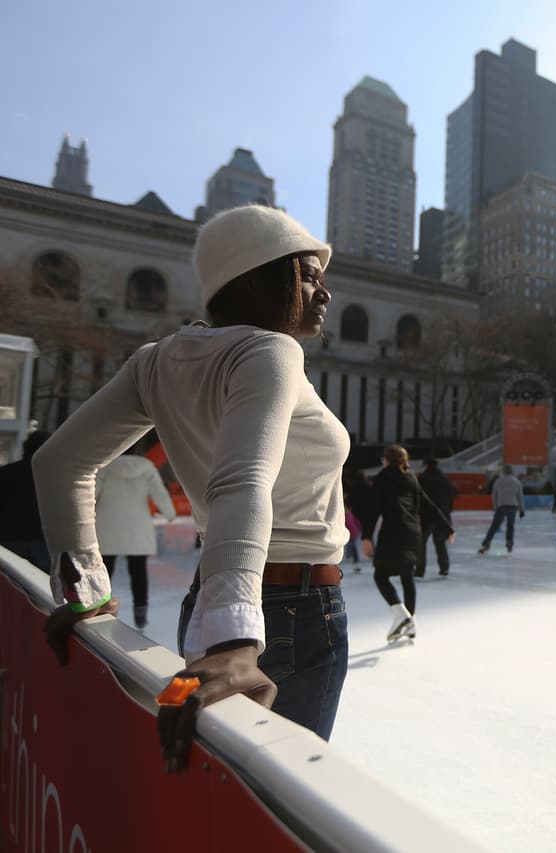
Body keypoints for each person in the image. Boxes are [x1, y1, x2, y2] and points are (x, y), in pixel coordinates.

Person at [34, 204, 350, 772]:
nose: (324, 294)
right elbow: (243, 479)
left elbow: (59, 463)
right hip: (292, 614)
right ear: (255, 274)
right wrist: (235, 641)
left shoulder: (154, 361)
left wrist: (83, 590)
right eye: (309, 276)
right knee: (275, 799)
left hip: (215, 601)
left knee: (223, 787)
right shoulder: (271, 350)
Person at [364, 445, 451, 641]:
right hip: (413, 533)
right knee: (407, 575)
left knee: (380, 575)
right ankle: (410, 622)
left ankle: (401, 614)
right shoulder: (411, 478)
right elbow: (429, 506)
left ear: (387, 459)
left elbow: (373, 508)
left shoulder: (384, 477)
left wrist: (367, 537)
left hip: (393, 531)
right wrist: (447, 528)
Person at [95, 440, 177, 630]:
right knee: (138, 572)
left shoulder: (105, 467)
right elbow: (159, 492)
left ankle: (99, 608)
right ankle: (141, 615)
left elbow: (93, 493)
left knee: (105, 570)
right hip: (137, 528)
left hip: (108, 526)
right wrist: (169, 512)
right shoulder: (146, 467)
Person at [0, 430, 53, 572]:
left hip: (9, 539)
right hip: (44, 541)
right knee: (42, 587)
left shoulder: (5, 473)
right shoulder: (56, 478)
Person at [417, 456, 456, 577]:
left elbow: (418, 497)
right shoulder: (445, 480)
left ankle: (420, 570)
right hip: (442, 516)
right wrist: (447, 511)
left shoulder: (422, 479)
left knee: (421, 543)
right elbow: (452, 495)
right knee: (440, 543)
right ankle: (444, 568)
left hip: (426, 516)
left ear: (426, 465)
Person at [479, 465, 525, 554]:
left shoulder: (498, 481)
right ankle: (509, 543)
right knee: (510, 526)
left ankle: (487, 543)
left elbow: (494, 495)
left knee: (494, 526)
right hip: (513, 506)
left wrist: (495, 506)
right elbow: (520, 496)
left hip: (501, 506)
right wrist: (522, 509)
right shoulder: (517, 482)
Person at [343, 494, 362, 571]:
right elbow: (357, 522)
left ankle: (354, 561)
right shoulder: (349, 515)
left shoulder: (347, 515)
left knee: (352, 548)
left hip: (351, 533)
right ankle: (353, 560)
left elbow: (355, 523)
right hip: (352, 533)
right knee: (352, 548)